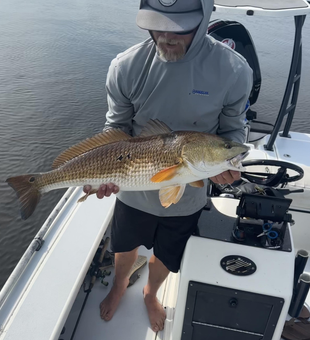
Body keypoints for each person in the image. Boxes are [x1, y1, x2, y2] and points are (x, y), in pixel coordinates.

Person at [84, 0, 253, 332]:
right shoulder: (126, 67)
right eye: (157, 25)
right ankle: (120, 284)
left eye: (180, 28)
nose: (166, 36)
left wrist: (230, 163)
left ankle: (150, 293)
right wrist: (102, 169)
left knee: (167, 252)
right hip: (132, 187)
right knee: (124, 244)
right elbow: (114, 129)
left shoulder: (234, 70)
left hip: (188, 191)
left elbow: (234, 130)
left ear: (205, 18)